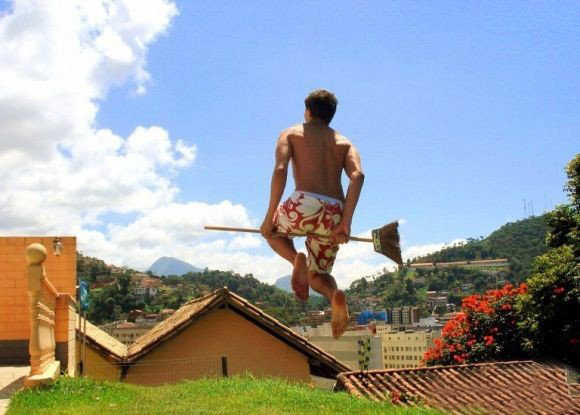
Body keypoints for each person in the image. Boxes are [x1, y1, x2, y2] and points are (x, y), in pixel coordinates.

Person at [260, 89, 365, 338]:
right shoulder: (345, 143)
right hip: (334, 214)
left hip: (302, 205)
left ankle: (295, 259)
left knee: (271, 233)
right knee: (319, 274)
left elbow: (280, 170)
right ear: (331, 115)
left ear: (307, 111)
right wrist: (346, 223)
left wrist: (269, 216)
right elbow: (357, 176)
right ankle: (333, 295)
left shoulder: (291, 134)